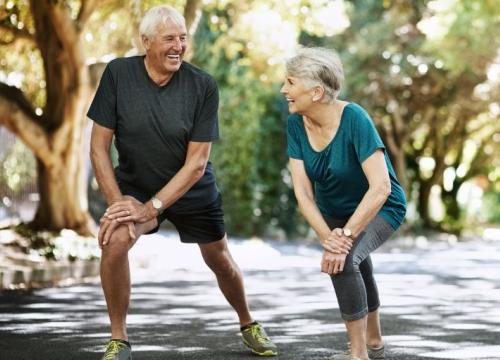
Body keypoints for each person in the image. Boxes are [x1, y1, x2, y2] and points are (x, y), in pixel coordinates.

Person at [88, 5, 277, 360]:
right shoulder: (118, 74)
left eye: (183, 38)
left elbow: (196, 164)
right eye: (169, 38)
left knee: (220, 260)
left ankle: (248, 322)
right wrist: (118, 207)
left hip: (191, 189)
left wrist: (151, 209)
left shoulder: (202, 85)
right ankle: (119, 339)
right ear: (145, 42)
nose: (178, 46)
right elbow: (98, 147)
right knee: (114, 242)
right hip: (137, 186)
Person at [281, 47, 407, 360]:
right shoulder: (296, 125)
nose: (284, 90)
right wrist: (329, 237)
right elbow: (303, 193)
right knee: (354, 261)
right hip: (335, 213)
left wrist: (343, 239)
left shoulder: (355, 119)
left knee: (344, 261)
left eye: (290, 82)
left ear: (316, 91)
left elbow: (380, 187)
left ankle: (358, 354)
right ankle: (374, 340)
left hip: (382, 206)